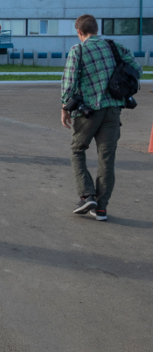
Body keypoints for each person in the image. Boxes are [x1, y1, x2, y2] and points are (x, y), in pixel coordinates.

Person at [61, 14, 142, 222]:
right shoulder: (115, 47)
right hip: (114, 110)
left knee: (77, 150)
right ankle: (101, 209)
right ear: (97, 29)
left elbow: (69, 83)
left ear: (79, 32)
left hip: (88, 112)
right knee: (106, 159)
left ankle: (87, 195)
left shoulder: (78, 50)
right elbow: (137, 69)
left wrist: (64, 108)